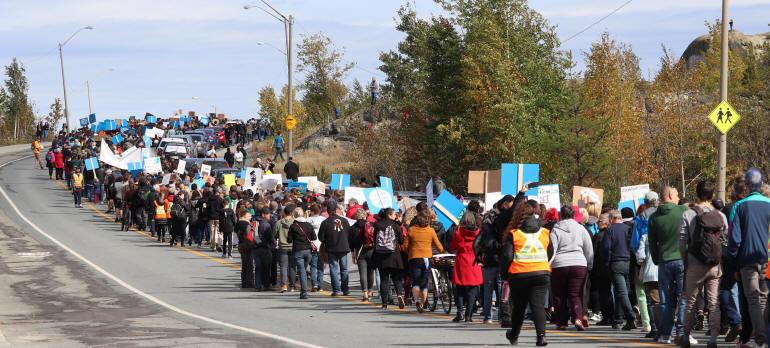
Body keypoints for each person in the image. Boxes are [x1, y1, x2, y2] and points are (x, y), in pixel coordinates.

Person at [679, 180, 725, 348]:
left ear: (697, 193)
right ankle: (713, 339)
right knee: (713, 302)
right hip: (714, 265)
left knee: (690, 301)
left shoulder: (688, 214)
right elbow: (725, 239)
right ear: (713, 194)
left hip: (694, 263)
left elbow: (682, 241)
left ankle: (686, 336)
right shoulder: (720, 215)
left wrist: (686, 258)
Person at [728, 168, 770, 348]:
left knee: (753, 299)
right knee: (763, 298)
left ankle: (759, 338)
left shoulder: (739, 206)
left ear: (747, 184)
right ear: (761, 184)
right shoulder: (769, 203)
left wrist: (733, 262)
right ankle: (761, 336)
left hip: (746, 260)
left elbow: (734, 239)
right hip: (766, 258)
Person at [501, 202, 551, 347]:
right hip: (541, 272)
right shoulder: (544, 232)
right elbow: (550, 252)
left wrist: (505, 275)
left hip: (520, 273)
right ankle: (541, 337)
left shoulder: (515, 234)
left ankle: (514, 335)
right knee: (538, 306)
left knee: (519, 307)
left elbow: (507, 257)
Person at [648, 186, 688, 344]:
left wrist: (657, 259)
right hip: (682, 259)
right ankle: (681, 330)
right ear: (670, 195)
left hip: (664, 260)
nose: (679, 197)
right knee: (683, 297)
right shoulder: (683, 211)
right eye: (677, 194)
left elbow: (652, 243)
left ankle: (665, 333)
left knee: (665, 299)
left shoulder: (654, 217)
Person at [550, 205, 594, 331]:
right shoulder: (581, 228)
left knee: (559, 294)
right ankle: (578, 318)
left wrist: (549, 264)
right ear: (573, 215)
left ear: (560, 215)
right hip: (579, 263)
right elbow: (588, 247)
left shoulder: (556, 229)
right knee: (576, 294)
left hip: (559, 264)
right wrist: (589, 263)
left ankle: (562, 322)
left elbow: (552, 249)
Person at [601, 209, 637, 330]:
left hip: (615, 263)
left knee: (621, 292)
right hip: (627, 263)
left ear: (611, 219)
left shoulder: (610, 230)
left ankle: (630, 317)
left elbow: (606, 248)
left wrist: (607, 263)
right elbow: (633, 247)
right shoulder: (628, 229)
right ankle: (618, 319)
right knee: (621, 291)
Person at [404, 211, 445, 313]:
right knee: (424, 282)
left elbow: (405, 246)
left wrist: (410, 251)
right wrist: (443, 251)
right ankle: (423, 303)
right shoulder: (431, 231)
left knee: (416, 281)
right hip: (426, 258)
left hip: (414, 258)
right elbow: (438, 245)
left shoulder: (411, 230)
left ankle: (416, 300)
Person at [449, 212, 482, 321]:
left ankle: (460, 312)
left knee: (459, 288)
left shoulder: (458, 232)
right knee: (472, 289)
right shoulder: (478, 232)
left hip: (462, 260)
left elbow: (453, 246)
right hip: (474, 260)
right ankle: (469, 315)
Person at [373, 208, 405, 308]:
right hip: (394, 256)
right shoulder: (395, 225)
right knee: (397, 278)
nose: (395, 216)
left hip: (381, 256)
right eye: (394, 214)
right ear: (389, 215)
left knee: (384, 280)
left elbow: (375, 239)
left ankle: (384, 303)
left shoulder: (377, 225)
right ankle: (399, 295)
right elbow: (401, 240)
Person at [319, 203, 352, 296]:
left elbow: (320, 237)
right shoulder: (344, 220)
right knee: (344, 269)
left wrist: (326, 240)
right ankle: (345, 289)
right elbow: (350, 233)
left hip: (331, 248)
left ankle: (337, 290)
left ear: (328, 211)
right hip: (344, 247)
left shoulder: (326, 222)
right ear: (336, 210)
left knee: (333, 269)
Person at [287, 207, 316, 299]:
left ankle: (304, 292)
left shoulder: (293, 226)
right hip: (308, 251)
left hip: (298, 250)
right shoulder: (309, 225)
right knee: (304, 269)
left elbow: (289, 240)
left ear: (294, 215)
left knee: (302, 271)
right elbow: (314, 237)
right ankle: (307, 287)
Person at [275, 205, 296, 293]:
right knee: (292, 266)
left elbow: (275, 235)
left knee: (283, 267)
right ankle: (292, 286)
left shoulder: (279, 223)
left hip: (282, 247)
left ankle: (284, 285)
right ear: (292, 213)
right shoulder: (295, 222)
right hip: (293, 246)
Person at [307, 204, 326, 292]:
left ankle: (314, 284)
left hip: (312, 245)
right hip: (322, 245)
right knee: (320, 267)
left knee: (313, 266)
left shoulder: (308, 220)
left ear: (312, 211)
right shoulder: (323, 220)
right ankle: (321, 286)